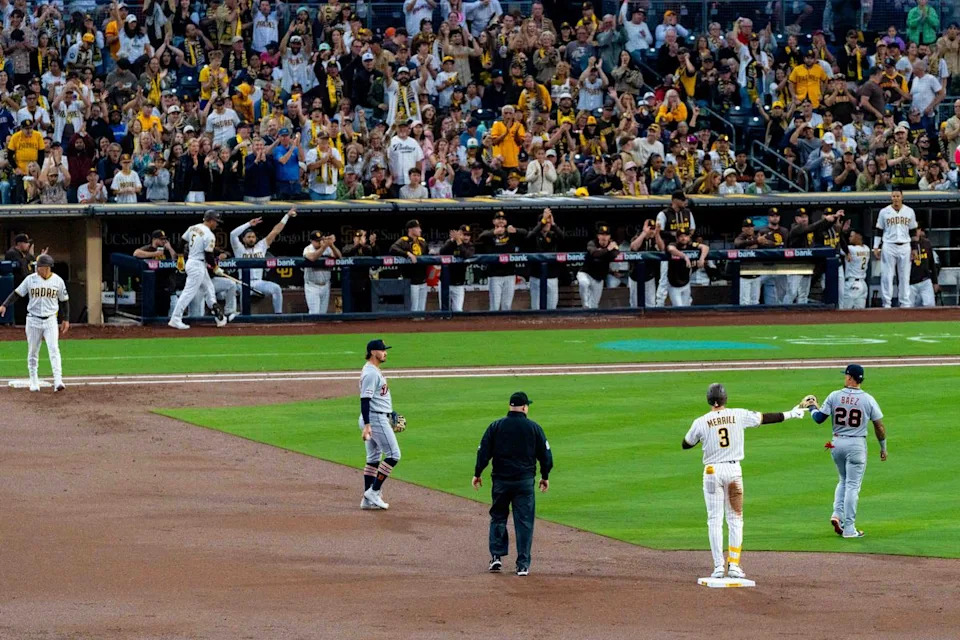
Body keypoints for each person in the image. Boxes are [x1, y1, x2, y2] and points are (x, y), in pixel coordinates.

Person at [683, 383, 805, 578]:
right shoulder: (738, 414)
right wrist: (791, 413)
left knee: (714, 520)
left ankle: (717, 567)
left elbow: (686, 444)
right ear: (725, 399)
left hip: (712, 471)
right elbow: (765, 418)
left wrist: (703, 438)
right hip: (733, 471)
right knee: (735, 519)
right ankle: (734, 565)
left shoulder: (701, 422)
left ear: (708, 400)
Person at [473, 391, 553, 577]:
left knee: (498, 517)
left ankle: (496, 557)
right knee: (524, 522)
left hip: (501, 481)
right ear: (525, 407)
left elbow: (483, 452)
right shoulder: (534, 428)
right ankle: (523, 565)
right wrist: (545, 476)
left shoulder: (496, 426)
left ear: (510, 407)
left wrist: (477, 473)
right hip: (524, 483)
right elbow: (546, 456)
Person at [806, 365, 887, 539]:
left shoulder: (835, 395)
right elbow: (879, 425)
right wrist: (883, 446)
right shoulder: (868, 399)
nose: (845, 378)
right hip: (856, 445)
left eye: (846, 376)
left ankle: (837, 514)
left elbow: (819, 418)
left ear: (850, 378)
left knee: (843, 480)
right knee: (852, 485)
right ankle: (849, 528)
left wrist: (812, 407)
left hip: (836, 443)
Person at [0, 253, 70, 392]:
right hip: (33, 319)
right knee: (33, 351)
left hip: (50, 320)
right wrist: (4, 305)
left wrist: (66, 319)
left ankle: (58, 381)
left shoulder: (58, 281)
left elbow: (64, 301)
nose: (37, 268)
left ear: (47, 267)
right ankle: (34, 380)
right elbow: (17, 293)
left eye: (39, 266)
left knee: (54, 349)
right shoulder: (30, 280)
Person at [359, 338, 403, 510]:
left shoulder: (373, 370)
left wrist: (390, 412)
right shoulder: (371, 373)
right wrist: (368, 425)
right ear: (372, 352)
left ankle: (367, 499)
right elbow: (365, 400)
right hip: (375, 419)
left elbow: (378, 397)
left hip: (377, 416)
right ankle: (374, 491)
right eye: (382, 350)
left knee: (373, 458)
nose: (385, 352)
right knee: (394, 454)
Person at [168, 210, 228, 330]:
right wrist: (216, 268)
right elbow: (209, 255)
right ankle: (175, 318)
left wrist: (180, 255)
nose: (217, 224)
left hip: (193, 262)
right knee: (188, 293)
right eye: (216, 222)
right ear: (210, 220)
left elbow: (181, 241)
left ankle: (218, 316)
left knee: (209, 288)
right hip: (197, 265)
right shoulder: (209, 235)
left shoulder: (193, 227)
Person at [229, 209, 296, 315]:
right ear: (243, 239)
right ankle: (242, 316)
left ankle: (278, 315)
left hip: (258, 282)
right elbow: (232, 234)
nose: (251, 239)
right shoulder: (238, 248)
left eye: (253, 237)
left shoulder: (261, 246)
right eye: (248, 237)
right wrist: (248, 224)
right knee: (230, 288)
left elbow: (275, 231)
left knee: (276, 288)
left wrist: (286, 216)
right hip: (243, 282)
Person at [784, 208, 839, 304]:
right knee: (792, 293)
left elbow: (820, 227)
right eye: (801, 217)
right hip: (794, 266)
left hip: (807, 265)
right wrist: (826, 219)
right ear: (796, 219)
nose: (804, 219)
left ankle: (801, 316)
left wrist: (834, 218)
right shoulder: (795, 228)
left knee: (804, 294)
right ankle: (782, 313)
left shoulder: (809, 228)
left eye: (805, 217)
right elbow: (811, 227)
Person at [873, 189, 917, 308]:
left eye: (898, 196)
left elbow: (913, 230)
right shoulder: (884, 212)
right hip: (889, 245)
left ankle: (905, 302)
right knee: (887, 275)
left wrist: (914, 248)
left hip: (905, 245)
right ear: (891, 197)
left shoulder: (909, 211)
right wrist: (875, 247)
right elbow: (879, 230)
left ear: (902, 197)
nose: (895, 198)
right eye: (893, 196)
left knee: (905, 276)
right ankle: (887, 303)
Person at [476, 212, 526, 311]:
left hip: (509, 274)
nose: (501, 220)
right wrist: (494, 233)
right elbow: (480, 237)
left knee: (507, 305)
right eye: (498, 218)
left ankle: (506, 325)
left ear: (506, 222)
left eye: (503, 219)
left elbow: (526, 233)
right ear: (494, 221)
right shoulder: (489, 234)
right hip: (495, 275)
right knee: (494, 305)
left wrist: (516, 230)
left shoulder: (511, 233)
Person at [576, 222, 620, 309]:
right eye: (602, 234)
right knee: (584, 283)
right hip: (586, 273)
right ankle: (585, 305)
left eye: (606, 235)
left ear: (609, 236)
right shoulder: (592, 243)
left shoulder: (612, 245)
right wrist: (607, 249)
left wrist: (613, 248)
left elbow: (615, 254)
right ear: (598, 236)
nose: (604, 237)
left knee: (594, 306)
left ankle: (590, 317)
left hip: (599, 278)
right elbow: (594, 253)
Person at [526, 208, 563, 310]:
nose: (547, 224)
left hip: (552, 275)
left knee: (552, 307)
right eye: (545, 222)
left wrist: (554, 224)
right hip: (536, 276)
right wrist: (543, 220)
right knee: (536, 307)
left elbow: (563, 237)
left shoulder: (553, 235)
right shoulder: (534, 235)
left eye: (548, 222)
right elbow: (529, 237)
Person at [389, 219, 429, 312]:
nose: (420, 230)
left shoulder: (422, 241)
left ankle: (421, 326)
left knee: (422, 310)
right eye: (417, 228)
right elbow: (393, 249)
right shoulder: (404, 241)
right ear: (410, 229)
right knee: (414, 309)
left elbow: (427, 254)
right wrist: (408, 254)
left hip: (423, 279)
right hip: (411, 280)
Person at [302, 230, 342, 315]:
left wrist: (331, 245)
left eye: (320, 240)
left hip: (326, 285)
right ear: (311, 241)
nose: (320, 242)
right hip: (312, 286)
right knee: (314, 314)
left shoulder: (327, 248)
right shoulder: (308, 249)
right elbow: (312, 258)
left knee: (323, 315)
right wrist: (323, 247)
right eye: (317, 241)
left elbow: (339, 257)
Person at [666, 228, 708, 307]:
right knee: (679, 309)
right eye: (681, 236)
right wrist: (684, 256)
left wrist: (702, 258)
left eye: (685, 236)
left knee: (686, 309)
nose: (683, 238)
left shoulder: (691, 245)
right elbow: (670, 249)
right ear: (677, 238)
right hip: (674, 284)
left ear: (689, 237)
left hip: (686, 283)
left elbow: (705, 247)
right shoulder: (674, 244)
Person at [439, 224, 474, 313]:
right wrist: (453, 240)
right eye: (464, 234)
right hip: (445, 283)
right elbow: (442, 252)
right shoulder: (450, 243)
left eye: (468, 235)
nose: (466, 237)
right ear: (459, 234)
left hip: (459, 284)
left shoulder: (470, 246)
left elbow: (466, 255)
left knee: (458, 311)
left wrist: (459, 242)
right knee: (444, 311)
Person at [628, 218, 660, 308]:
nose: (652, 231)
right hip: (635, 276)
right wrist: (644, 233)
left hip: (649, 276)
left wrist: (657, 234)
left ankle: (649, 322)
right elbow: (633, 247)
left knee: (651, 304)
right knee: (635, 305)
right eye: (650, 228)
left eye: (653, 228)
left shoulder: (655, 239)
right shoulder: (638, 236)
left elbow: (662, 248)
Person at [734, 218, 762, 305]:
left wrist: (762, 241)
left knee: (755, 302)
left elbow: (769, 244)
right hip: (744, 276)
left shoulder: (758, 237)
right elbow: (737, 243)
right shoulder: (740, 238)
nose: (750, 229)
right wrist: (756, 241)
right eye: (747, 227)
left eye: (751, 227)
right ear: (743, 229)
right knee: (745, 302)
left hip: (756, 273)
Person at [909, 227, 938, 307]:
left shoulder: (926, 243)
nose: (916, 232)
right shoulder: (905, 245)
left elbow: (932, 263)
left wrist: (935, 282)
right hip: (910, 283)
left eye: (917, 230)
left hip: (925, 280)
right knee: (907, 308)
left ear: (920, 230)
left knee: (930, 306)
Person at [842, 230, 871, 310]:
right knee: (859, 315)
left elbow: (840, 246)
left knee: (845, 312)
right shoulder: (867, 248)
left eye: (852, 236)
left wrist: (841, 231)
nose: (849, 238)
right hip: (863, 285)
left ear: (858, 236)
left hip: (852, 284)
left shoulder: (851, 249)